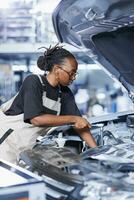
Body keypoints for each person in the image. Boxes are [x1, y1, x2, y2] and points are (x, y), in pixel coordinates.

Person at [0, 44, 97, 164]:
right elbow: (36, 119)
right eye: (71, 73)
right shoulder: (33, 81)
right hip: (5, 143)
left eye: (75, 74)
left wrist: (96, 151)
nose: (73, 77)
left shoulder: (64, 93)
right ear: (57, 70)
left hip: (25, 146)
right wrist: (74, 119)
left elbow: (80, 126)